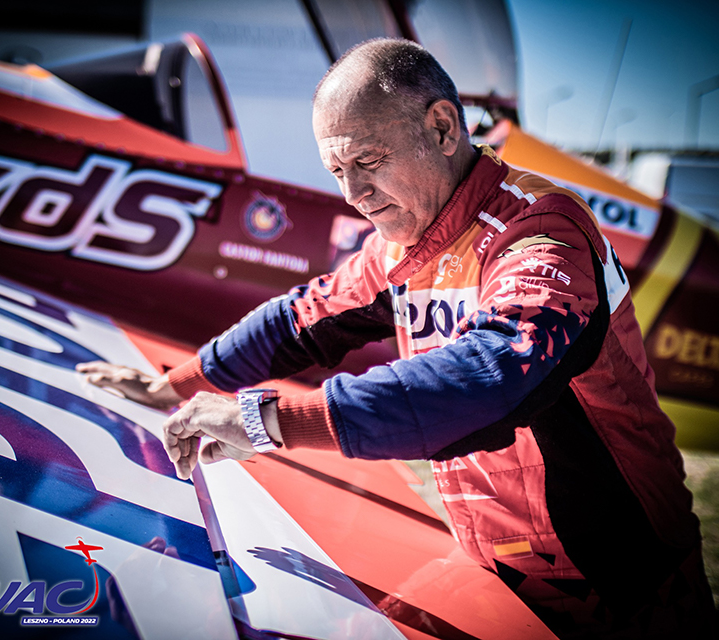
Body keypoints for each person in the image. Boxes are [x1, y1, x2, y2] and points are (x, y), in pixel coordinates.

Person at [77, 38, 716, 638]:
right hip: (492, 567)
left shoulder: (539, 229)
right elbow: (296, 321)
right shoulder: (403, 241)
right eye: (336, 171)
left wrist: (267, 421)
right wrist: (174, 386)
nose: (354, 194)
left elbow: (491, 379)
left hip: (623, 590)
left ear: (442, 128)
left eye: (368, 162)